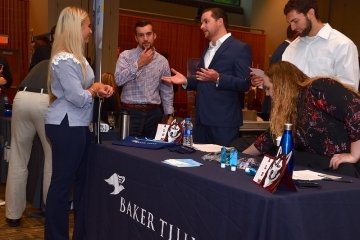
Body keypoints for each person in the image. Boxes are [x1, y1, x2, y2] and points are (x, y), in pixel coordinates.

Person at [44, 6, 113, 239]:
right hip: (66, 126)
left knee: (82, 183)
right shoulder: (63, 59)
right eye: (88, 26)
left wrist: (97, 90)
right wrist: (93, 90)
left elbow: (83, 92)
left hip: (78, 125)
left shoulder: (78, 58)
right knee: (62, 186)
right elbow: (76, 96)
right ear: (76, 28)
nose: (90, 31)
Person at [243, 61, 360, 177]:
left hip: (345, 164)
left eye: (268, 88)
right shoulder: (289, 108)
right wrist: (242, 157)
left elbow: (355, 111)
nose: (267, 94)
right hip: (323, 162)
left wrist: (354, 155)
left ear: (281, 84)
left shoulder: (319, 88)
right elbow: (269, 138)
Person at [162, 8, 252, 146]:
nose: (201, 26)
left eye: (206, 21)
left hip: (224, 123)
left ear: (220, 22)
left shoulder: (240, 48)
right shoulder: (207, 49)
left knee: (220, 166)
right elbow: (203, 79)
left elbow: (244, 83)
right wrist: (186, 80)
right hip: (201, 121)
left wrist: (218, 78)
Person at [4, 60, 52, 227]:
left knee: (18, 156)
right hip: (46, 99)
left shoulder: (41, 64)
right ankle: (51, 211)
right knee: (51, 156)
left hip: (21, 97)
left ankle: (13, 215)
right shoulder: (67, 61)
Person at [115, 19, 174, 139]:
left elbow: (166, 90)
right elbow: (118, 80)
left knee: (151, 153)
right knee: (128, 152)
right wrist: (138, 64)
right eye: (141, 35)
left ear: (154, 36)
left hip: (154, 114)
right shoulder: (125, 56)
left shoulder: (162, 61)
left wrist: (169, 114)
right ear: (136, 38)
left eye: (148, 34)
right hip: (130, 113)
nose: (145, 38)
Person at [282, 0, 359, 90]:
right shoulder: (291, 48)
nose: (292, 28)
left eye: (295, 21)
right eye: (290, 23)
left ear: (311, 13)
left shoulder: (343, 45)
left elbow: (349, 91)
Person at [260, 25, 298, 120]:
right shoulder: (286, 50)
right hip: (275, 100)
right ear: (297, 35)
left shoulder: (282, 48)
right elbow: (278, 79)